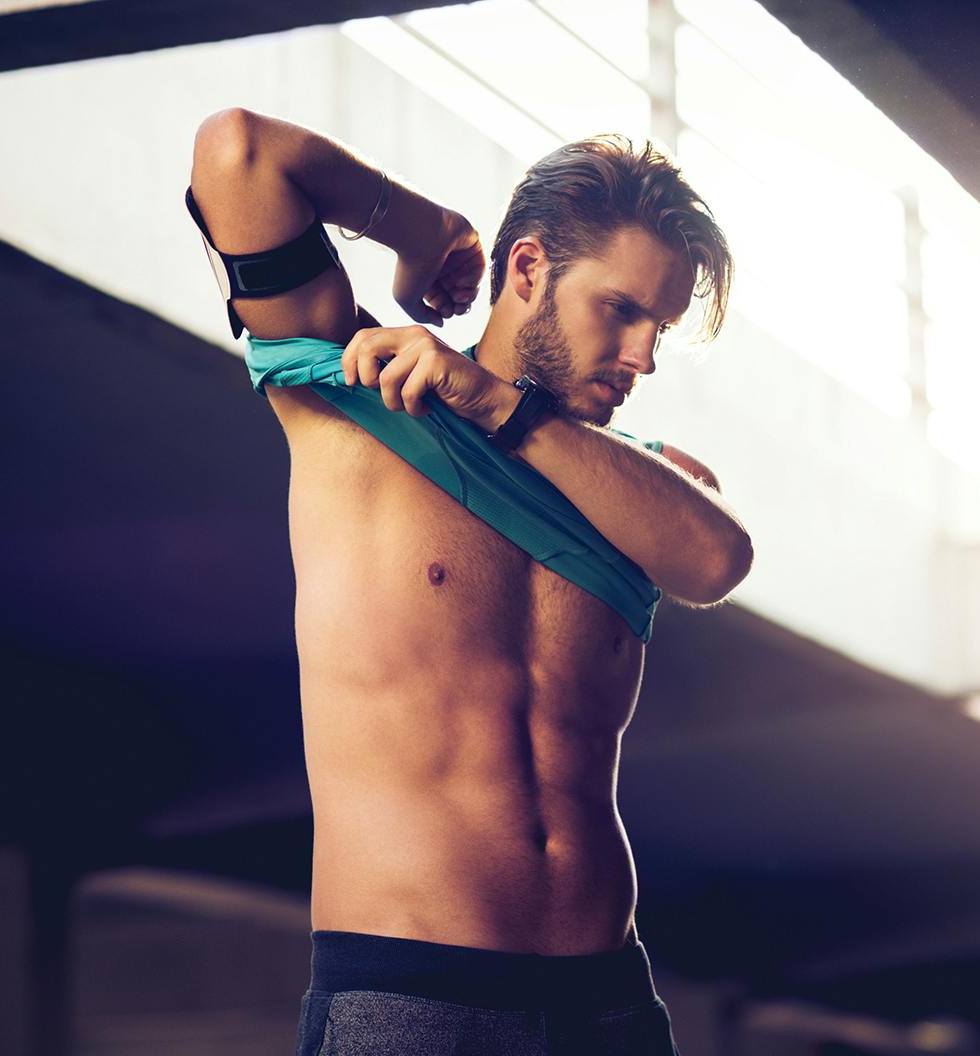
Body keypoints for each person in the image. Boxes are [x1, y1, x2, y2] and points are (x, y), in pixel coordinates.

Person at [187, 107, 749, 1055]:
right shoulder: (357, 395)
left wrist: (496, 403)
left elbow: (717, 559)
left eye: (658, 326)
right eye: (620, 310)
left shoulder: (634, 483)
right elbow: (238, 150)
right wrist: (425, 232)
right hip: (415, 998)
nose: (643, 357)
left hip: (609, 1004)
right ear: (526, 270)